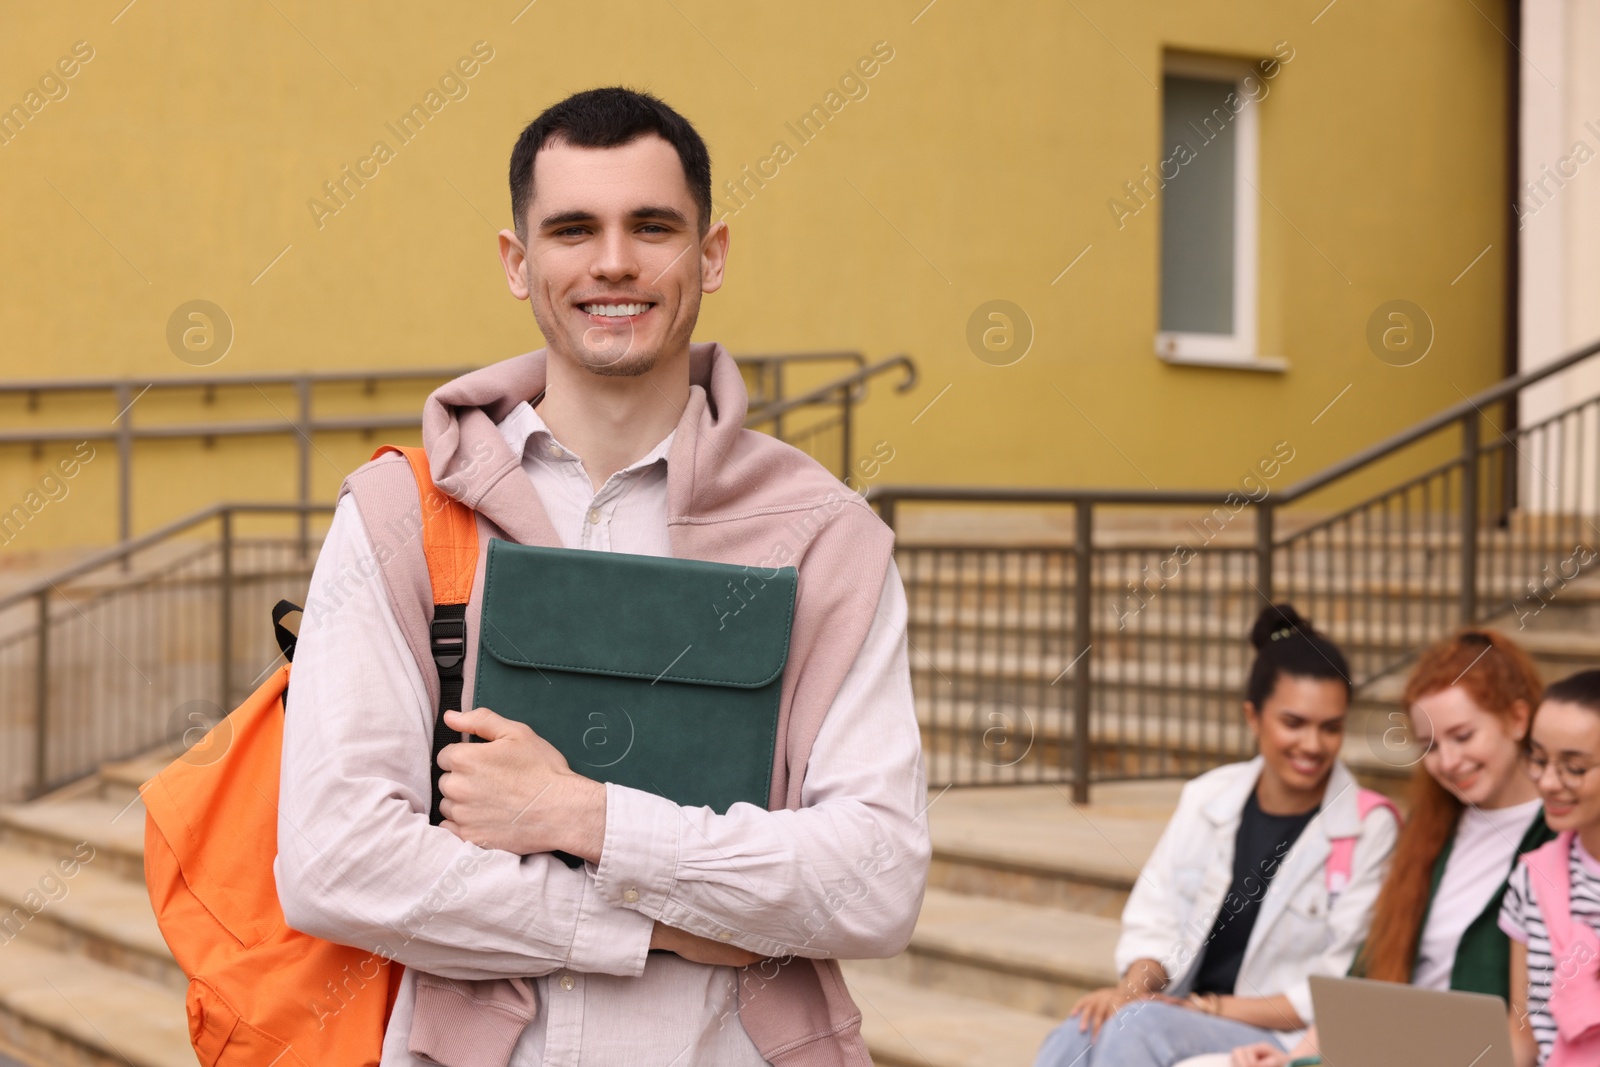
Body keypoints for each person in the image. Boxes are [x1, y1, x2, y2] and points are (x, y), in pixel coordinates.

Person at [273, 87, 931, 1066]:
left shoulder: (825, 536)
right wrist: (650, 925)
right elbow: (335, 862)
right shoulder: (399, 516)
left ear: (709, 254)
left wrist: (581, 815)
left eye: (652, 226)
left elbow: (875, 878)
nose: (613, 261)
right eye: (573, 228)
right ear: (518, 261)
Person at [1033, 604, 1400, 1067]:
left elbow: (1337, 983)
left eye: (1331, 728)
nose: (1313, 745)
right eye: (1294, 723)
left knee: (1138, 1028)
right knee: (1076, 1035)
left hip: (1279, 1035)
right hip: (1181, 1012)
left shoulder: (1369, 828)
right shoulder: (1208, 798)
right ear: (1253, 717)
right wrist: (1130, 991)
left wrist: (1207, 1008)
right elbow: (1157, 917)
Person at [1195, 629, 1554, 1067]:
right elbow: (1367, 974)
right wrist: (1295, 1060)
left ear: (1518, 719)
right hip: (1390, 1050)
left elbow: (1527, 1036)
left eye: (1463, 736)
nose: (1448, 761)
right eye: (1431, 746)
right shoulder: (1430, 830)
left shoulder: (1557, 840)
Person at [1502, 669, 1600, 1067]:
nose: (1547, 782)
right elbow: (1522, 1033)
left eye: (1574, 768)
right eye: (1538, 759)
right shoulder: (1531, 877)